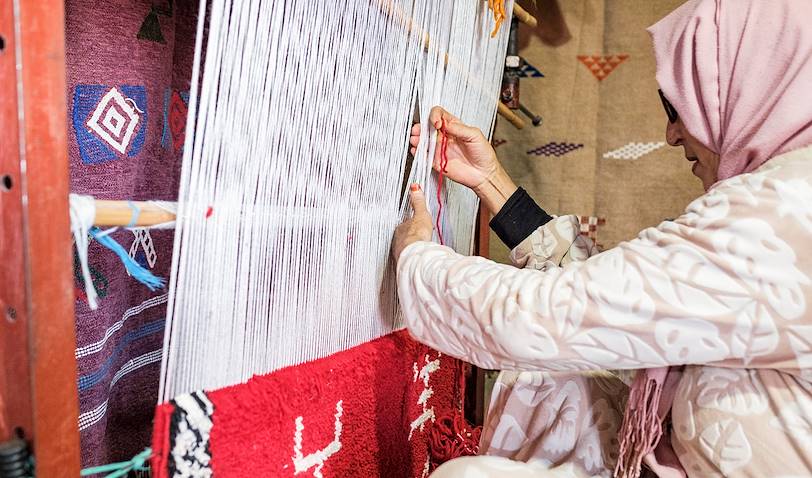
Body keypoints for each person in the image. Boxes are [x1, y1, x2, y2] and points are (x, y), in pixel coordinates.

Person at [392, 0, 812, 476]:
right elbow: (617, 309)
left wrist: (415, 259)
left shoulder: (782, 213)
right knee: (560, 382)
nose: (672, 134)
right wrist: (492, 185)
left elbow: (553, 316)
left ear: (749, 87)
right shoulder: (786, 202)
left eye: (677, 108)